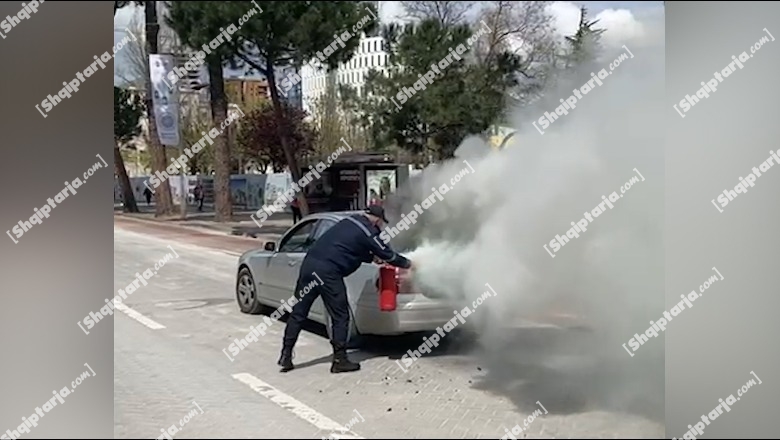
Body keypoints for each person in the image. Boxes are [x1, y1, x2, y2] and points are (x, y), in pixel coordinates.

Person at [279, 205, 414, 374]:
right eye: (381, 223)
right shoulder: (369, 231)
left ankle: (286, 355)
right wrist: (409, 264)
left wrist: (371, 257)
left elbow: (347, 246)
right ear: (378, 220)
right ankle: (340, 360)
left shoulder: (349, 221)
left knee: (299, 312)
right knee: (340, 315)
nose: (380, 227)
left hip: (309, 266)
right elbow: (388, 255)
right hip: (328, 273)